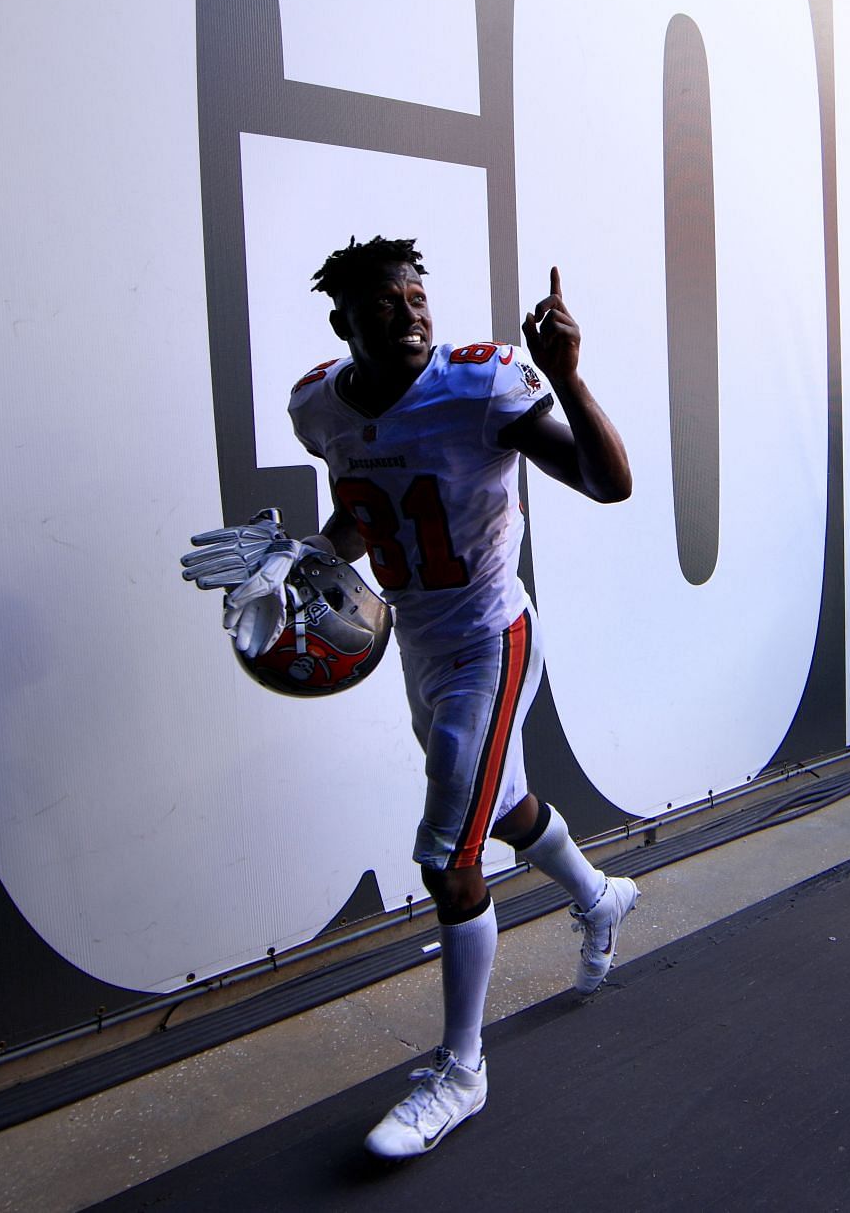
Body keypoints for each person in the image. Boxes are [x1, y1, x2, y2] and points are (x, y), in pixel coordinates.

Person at [280, 237, 636, 1158]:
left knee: (449, 853)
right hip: (421, 647)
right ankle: (598, 897)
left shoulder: (481, 386)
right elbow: (367, 510)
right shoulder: (320, 404)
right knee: (503, 806)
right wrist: (311, 562)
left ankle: (462, 1071)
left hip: (492, 636)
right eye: (384, 302)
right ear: (341, 323)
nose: (409, 313)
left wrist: (568, 378)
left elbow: (610, 483)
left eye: (417, 296)